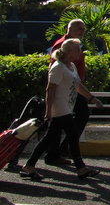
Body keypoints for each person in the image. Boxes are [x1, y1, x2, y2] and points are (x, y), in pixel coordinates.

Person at [21, 39, 103, 181]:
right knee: (72, 135)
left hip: (66, 107)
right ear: (70, 51)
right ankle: (81, 168)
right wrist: (48, 111)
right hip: (59, 108)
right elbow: (50, 90)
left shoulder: (71, 66)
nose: (80, 52)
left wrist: (91, 98)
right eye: (78, 49)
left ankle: (29, 166)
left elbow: (78, 86)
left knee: (50, 138)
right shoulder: (58, 67)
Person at [47, 19, 91, 164]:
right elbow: (55, 70)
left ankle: (56, 153)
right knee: (80, 115)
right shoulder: (62, 45)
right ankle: (64, 151)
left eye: (83, 29)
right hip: (66, 89)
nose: (82, 32)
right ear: (70, 29)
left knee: (58, 125)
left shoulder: (74, 44)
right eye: (80, 29)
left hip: (72, 86)